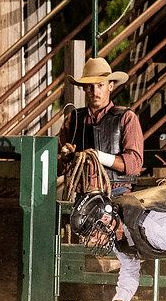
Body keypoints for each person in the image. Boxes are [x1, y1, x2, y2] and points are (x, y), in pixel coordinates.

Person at [58, 58, 143, 197]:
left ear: (111, 86)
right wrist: (66, 157)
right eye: (90, 86)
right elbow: (58, 165)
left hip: (117, 194)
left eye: (100, 85)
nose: (94, 91)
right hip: (82, 195)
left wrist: (99, 157)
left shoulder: (126, 118)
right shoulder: (72, 119)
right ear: (84, 88)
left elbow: (134, 164)